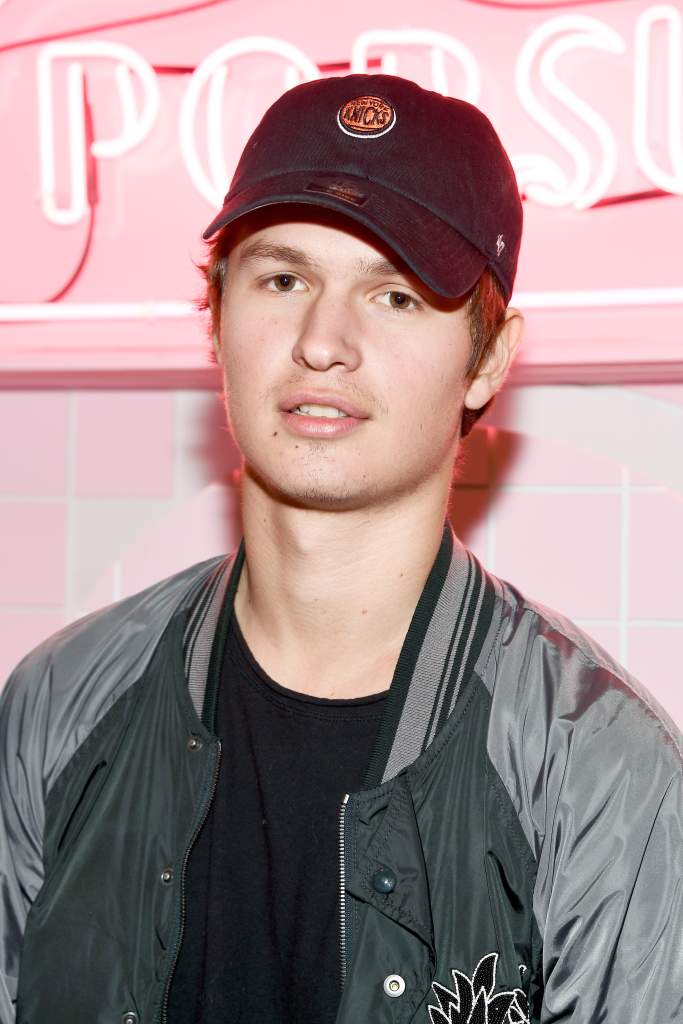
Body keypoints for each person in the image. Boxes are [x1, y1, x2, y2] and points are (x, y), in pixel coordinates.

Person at [0, 74, 681, 1024]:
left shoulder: (597, 765)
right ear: (215, 317)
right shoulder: (59, 701)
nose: (323, 343)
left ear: (486, 359)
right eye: (283, 280)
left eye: (394, 296)